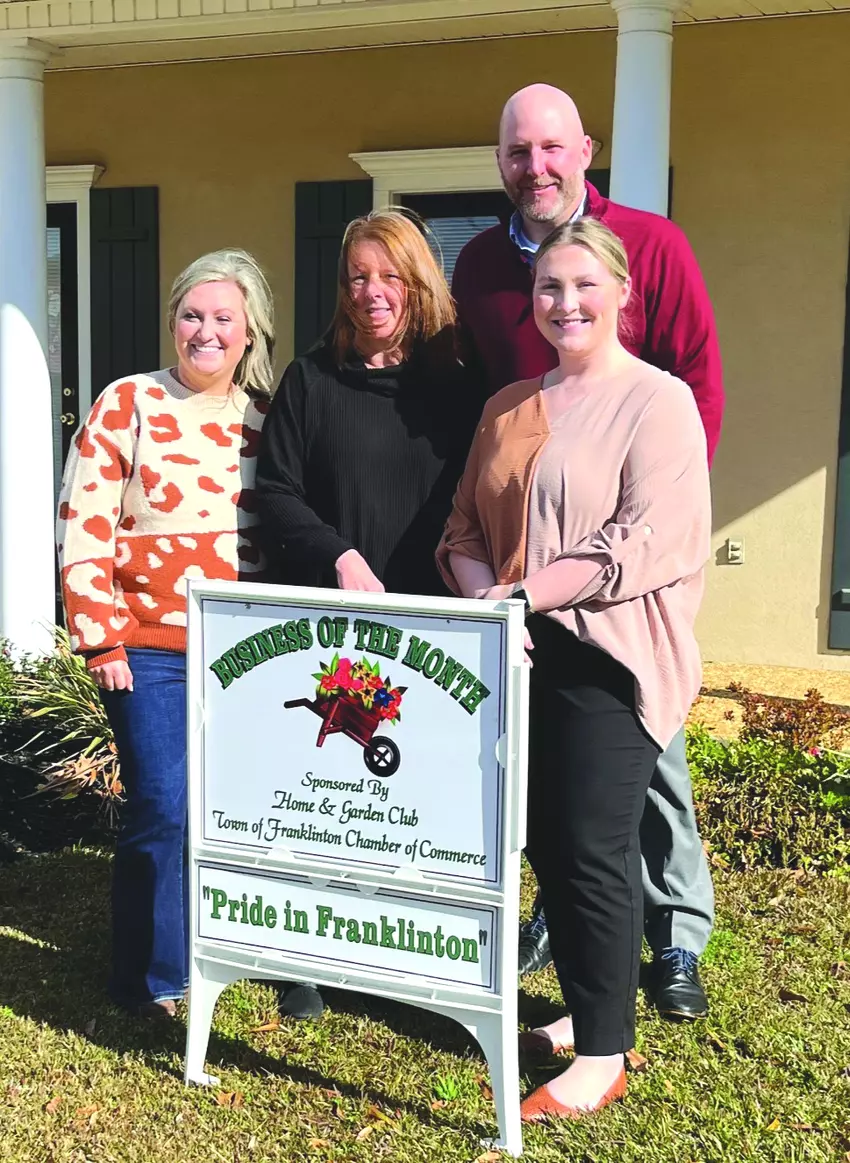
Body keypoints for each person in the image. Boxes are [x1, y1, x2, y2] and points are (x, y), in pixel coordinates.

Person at [452, 82, 723, 1020]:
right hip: (529, 559)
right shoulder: (481, 264)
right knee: (560, 792)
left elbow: (697, 385)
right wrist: (503, 569)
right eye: (518, 151)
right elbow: (489, 408)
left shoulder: (652, 244)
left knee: (648, 760)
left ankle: (676, 934)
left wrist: (660, 531)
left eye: (551, 148)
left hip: (627, 571)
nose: (535, 166)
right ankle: (575, 930)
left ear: (585, 150)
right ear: (501, 162)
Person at [256, 208, 475, 1019]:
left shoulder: (457, 384)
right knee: (324, 787)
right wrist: (339, 555)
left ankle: (398, 945)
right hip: (332, 620)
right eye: (357, 275)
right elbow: (275, 491)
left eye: (388, 275)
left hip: (429, 622)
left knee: (408, 791)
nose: (370, 291)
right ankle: (303, 956)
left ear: (417, 283)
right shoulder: (311, 380)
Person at [56, 249, 274, 1016]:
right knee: (160, 802)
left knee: (228, 809)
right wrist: (100, 636)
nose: (205, 332)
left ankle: (225, 950)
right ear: (172, 321)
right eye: (191, 315)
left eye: (223, 319)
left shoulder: (265, 417)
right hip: (146, 650)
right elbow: (84, 522)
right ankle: (150, 976)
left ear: (249, 332)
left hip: (244, 652)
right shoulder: (128, 402)